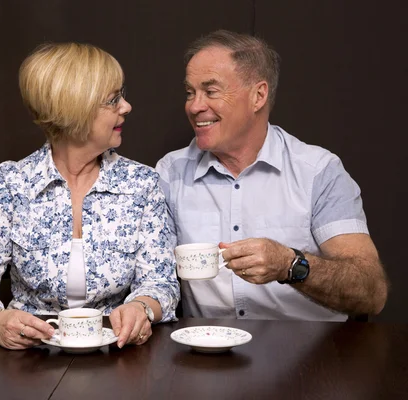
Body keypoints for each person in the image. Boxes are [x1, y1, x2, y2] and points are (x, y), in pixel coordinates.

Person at [0, 42, 179, 349]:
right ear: (74, 110)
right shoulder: (13, 184)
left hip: (118, 356)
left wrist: (141, 309)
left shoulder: (142, 184)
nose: (126, 107)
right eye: (113, 100)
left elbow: (161, 283)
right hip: (28, 362)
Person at [156, 30, 388, 321]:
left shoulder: (318, 172)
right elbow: (150, 278)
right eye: (190, 92)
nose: (194, 106)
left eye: (210, 91)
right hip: (206, 357)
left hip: (309, 359)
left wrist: (290, 265)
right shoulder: (170, 173)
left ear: (258, 95)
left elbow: (370, 291)